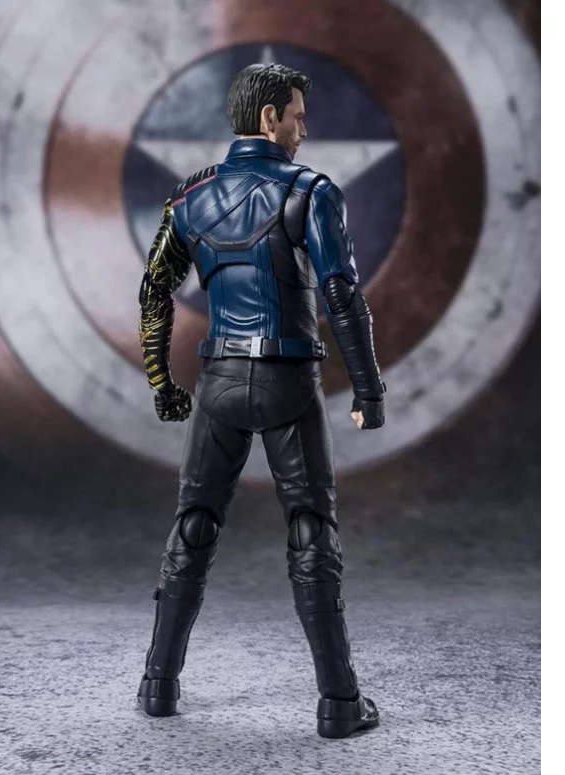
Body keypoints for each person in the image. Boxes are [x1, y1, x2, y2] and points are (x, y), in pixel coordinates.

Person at [137, 63, 386, 739]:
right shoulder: (311, 192)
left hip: (218, 382)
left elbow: (155, 288)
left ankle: (158, 685)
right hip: (286, 381)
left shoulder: (191, 196)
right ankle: (339, 703)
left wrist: (161, 380)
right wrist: (368, 386)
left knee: (193, 524)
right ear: (269, 118)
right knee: (311, 528)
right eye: (298, 116)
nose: (305, 129)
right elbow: (341, 296)